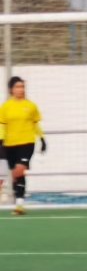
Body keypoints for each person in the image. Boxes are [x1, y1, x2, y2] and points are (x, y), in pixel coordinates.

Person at [0, 76, 46, 216]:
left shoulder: (31, 106)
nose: (21, 89)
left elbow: (35, 124)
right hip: (10, 144)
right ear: (11, 89)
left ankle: (17, 200)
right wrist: (1, 140)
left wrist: (42, 138)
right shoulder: (5, 107)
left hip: (27, 143)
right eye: (17, 87)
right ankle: (19, 205)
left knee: (19, 170)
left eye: (22, 86)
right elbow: (2, 125)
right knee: (17, 175)